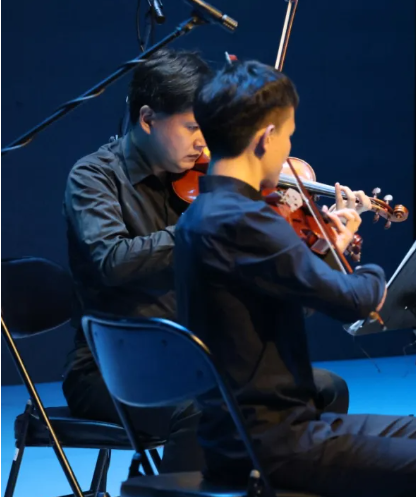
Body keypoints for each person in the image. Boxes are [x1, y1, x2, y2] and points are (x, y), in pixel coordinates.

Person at [174, 59, 416, 497]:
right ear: (265, 138)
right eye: (288, 136)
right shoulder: (248, 222)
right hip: (272, 444)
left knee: (415, 432)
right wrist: (368, 270)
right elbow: (352, 301)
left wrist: (329, 248)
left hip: (232, 433)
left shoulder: (201, 215)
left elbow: (290, 290)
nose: (288, 151)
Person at [61, 48, 356, 473]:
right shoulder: (94, 176)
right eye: (193, 127)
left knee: (324, 389)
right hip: (115, 369)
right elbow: (112, 261)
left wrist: (321, 251)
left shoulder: (209, 182)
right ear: (147, 119)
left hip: (203, 360)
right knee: (208, 406)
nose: (204, 142)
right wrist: (204, 221)